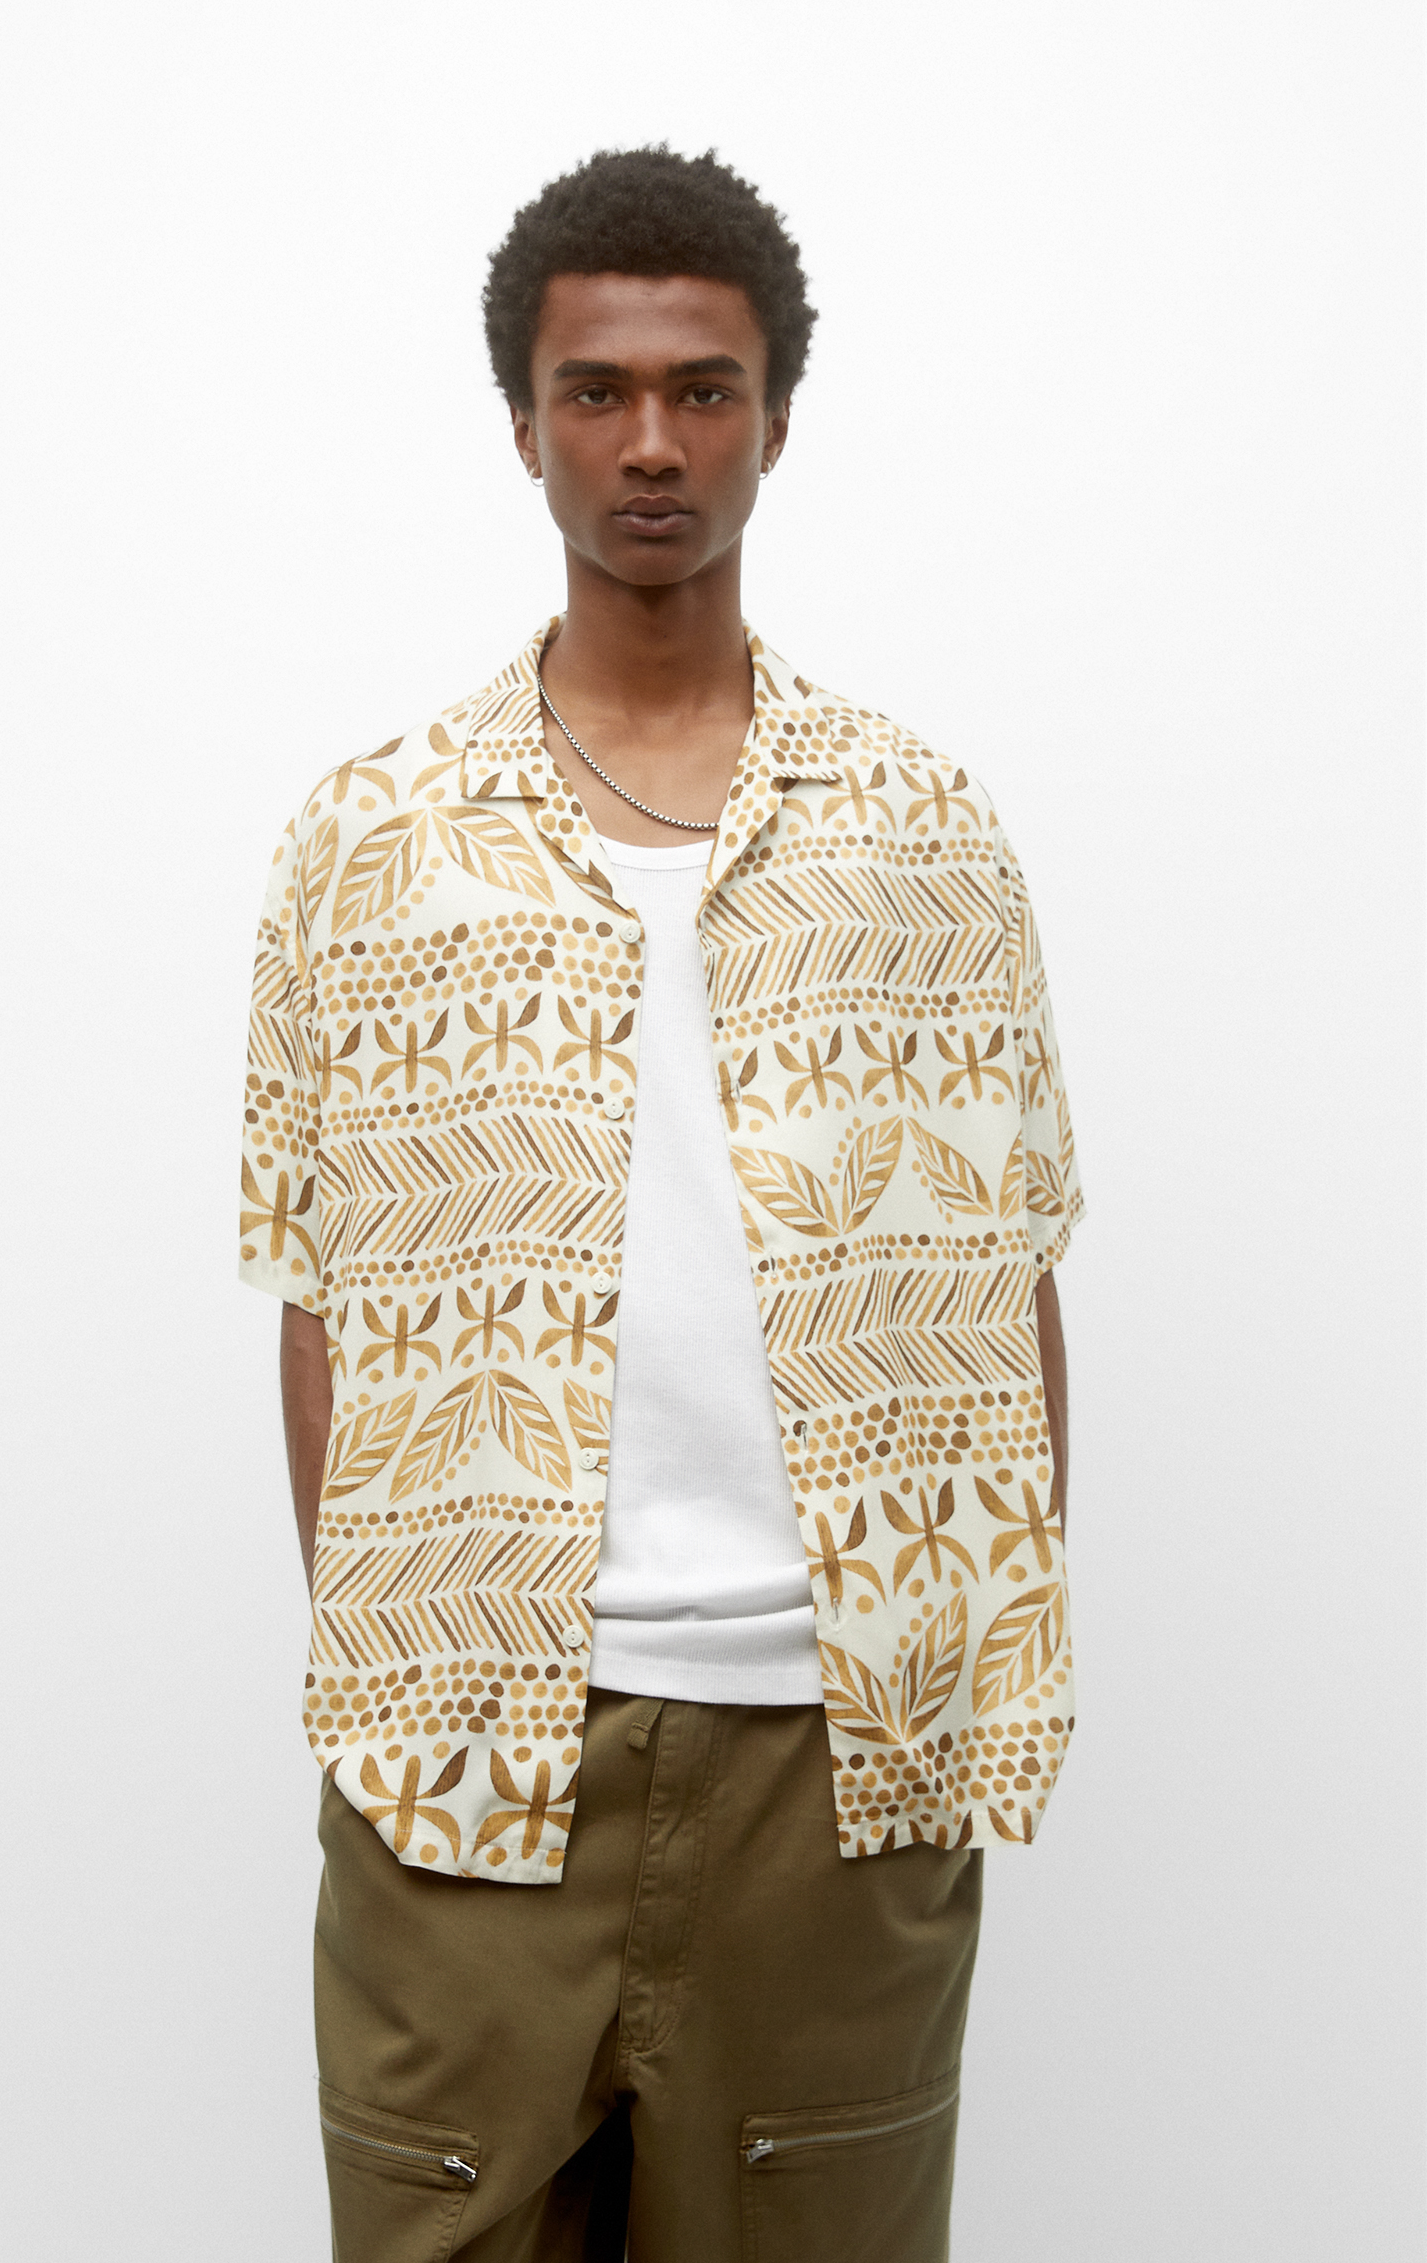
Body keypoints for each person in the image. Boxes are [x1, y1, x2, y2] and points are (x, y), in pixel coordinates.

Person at [240, 144, 1083, 2263]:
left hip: (838, 1748)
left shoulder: (923, 830)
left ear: (773, 422)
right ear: (523, 423)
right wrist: (399, 1668)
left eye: (702, 391)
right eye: (596, 390)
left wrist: (952, 1673)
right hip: (468, 1745)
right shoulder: (369, 840)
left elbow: (1008, 1274)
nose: (648, 443)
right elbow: (319, 1295)